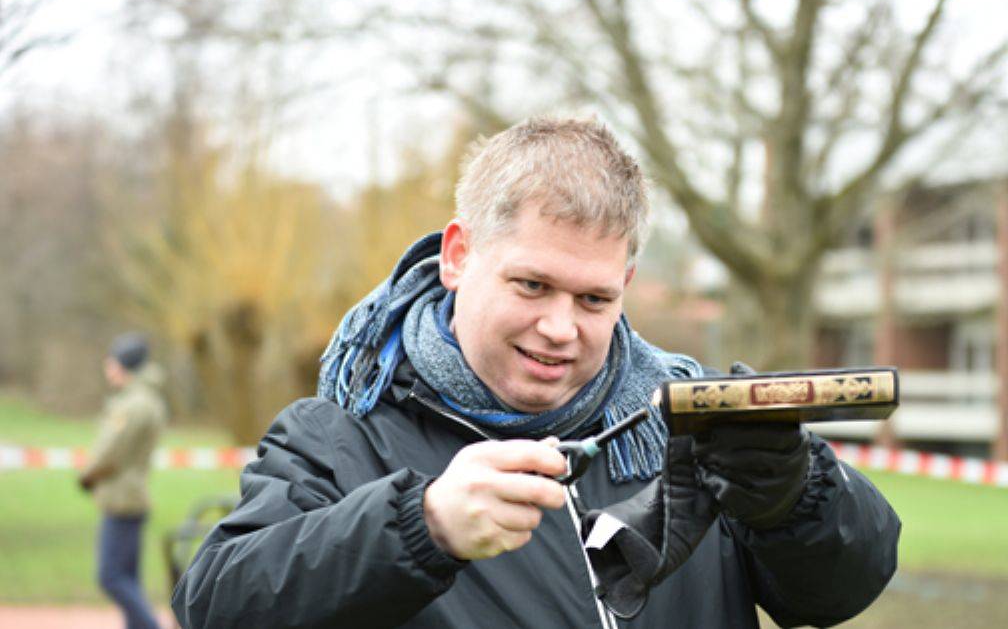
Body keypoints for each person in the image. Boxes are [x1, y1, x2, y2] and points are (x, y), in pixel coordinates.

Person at [172, 117, 900, 628]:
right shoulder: (342, 433)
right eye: (531, 285)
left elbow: (842, 590)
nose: (561, 328)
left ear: (628, 281)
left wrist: (794, 496)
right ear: (458, 255)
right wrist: (420, 528)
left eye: (593, 298)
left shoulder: (697, 422)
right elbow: (216, 603)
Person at [80, 332, 168, 629]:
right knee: (128, 579)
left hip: (122, 498)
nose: (108, 368)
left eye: (113, 362)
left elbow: (110, 451)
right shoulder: (143, 399)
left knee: (111, 577)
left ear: (124, 366)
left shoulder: (135, 404)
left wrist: (88, 475)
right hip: (130, 495)